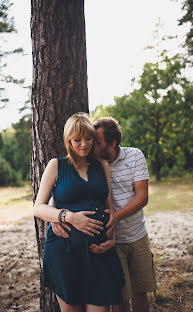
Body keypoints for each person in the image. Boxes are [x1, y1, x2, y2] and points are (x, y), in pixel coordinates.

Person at [52, 116, 157, 312]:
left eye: (94, 140)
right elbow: (62, 192)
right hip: (106, 241)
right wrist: (55, 216)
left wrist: (114, 219)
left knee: (140, 291)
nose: (88, 144)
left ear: (112, 143)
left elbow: (142, 197)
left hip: (135, 234)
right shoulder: (88, 163)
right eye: (82, 139)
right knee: (119, 296)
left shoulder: (132, 157)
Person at [34, 113, 124, 312]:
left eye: (88, 138)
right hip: (65, 252)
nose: (84, 144)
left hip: (98, 251)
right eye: (77, 139)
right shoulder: (56, 165)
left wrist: (112, 239)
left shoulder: (101, 166)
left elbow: (108, 207)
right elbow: (38, 207)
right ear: (68, 140)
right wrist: (69, 217)